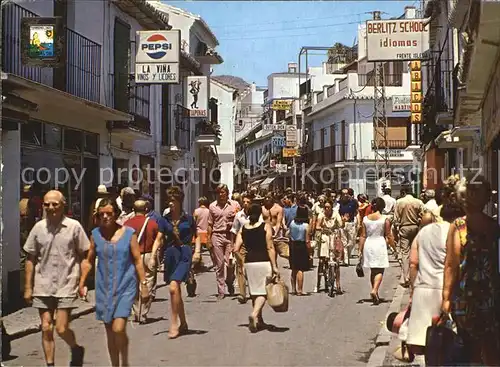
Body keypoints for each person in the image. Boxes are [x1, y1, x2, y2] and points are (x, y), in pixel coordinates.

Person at [79, 199, 149, 366]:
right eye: (102, 214)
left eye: (109, 213)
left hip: (126, 286)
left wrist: (144, 284)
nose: (105, 217)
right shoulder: (95, 235)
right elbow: (88, 261)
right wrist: (82, 283)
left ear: (116, 214)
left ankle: (124, 362)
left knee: (118, 328)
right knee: (110, 332)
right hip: (104, 288)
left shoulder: (129, 233)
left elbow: (138, 260)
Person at [23, 190, 88, 367]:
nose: (50, 208)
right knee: (46, 327)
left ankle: (75, 348)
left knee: (61, 327)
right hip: (42, 284)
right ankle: (50, 364)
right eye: (47, 204)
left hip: (67, 283)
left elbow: (84, 257)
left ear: (63, 205)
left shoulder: (74, 227)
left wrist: (83, 282)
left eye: (55, 204)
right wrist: (28, 287)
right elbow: (30, 259)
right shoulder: (38, 228)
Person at [442, 175, 500, 365]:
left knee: (471, 348)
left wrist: (446, 298)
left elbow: (451, 264)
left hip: (467, 295)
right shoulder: (494, 227)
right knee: (491, 345)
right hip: (492, 294)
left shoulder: (458, 227)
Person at [405, 202, 464, 359]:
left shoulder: (423, 232)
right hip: (447, 290)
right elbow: (455, 264)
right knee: (449, 344)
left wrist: (413, 290)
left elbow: (413, 263)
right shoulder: (456, 233)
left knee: (426, 345)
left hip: (423, 289)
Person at [233, 204, 280, 333]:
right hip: (263, 261)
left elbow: (236, 249)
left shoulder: (244, 228)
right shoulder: (266, 226)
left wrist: (242, 261)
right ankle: (254, 314)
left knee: (254, 292)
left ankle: (260, 320)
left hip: (249, 262)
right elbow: (270, 247)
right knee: (264, 292)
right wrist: (275, 266)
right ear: (260, 213)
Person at [163, 186, 199, 338]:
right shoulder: (164, 219)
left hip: (184, 252)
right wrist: (153, 255)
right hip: (171, 254)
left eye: (173, 200)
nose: (171, 203)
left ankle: (174, 323)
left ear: (179, 201)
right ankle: (183, 323)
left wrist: (197, 251)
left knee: (173, 287)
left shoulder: (188, 219)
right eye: (169, 200)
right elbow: (159, 237)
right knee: (175, 289)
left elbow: (196, 236)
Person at [124, 199, 162, 323]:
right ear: (146, 210)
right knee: (149, 283)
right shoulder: (152, 223)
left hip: (132, 256)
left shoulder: (127, 224)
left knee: (133, 284)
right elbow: (159, 240)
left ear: (133, 210)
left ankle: (136, 311)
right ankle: (143, 312)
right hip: (148, 256)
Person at [358, 198, 395, 305]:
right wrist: (394, 247)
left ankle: (375, 291)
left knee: (373, 269)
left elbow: (363, 235)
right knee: (380, 270)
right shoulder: (385, 219)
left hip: (369, 244)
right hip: (379, 243)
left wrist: (360, 250)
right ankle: (374, 290)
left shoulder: (365, 219)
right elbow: (388, 235)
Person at [207, 184, 238, 300]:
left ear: (227, 193)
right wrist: (208, 239)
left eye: (223, 192)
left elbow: (239, 219)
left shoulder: (234, 205)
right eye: (219, 192)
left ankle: (230, 281)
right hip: (217, 235)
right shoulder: (212, 206)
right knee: (219, 265)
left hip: (230, 236)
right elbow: (210, 224)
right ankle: (221, 290)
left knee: (230, 263)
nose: (221, 194)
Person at [393, 185, 424, 287]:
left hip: (404, 228)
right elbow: (423, 215)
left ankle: (406, 277)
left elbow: (396, 218)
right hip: (415, 227)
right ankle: (416, 275)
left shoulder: (399, 202)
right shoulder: (418, 202)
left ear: (403, 192)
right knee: (416, 251)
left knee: (405, 253)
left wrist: (396, 231)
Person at [231, 194, 259, 304]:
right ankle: (242, 293)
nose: (246, 204)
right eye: (244, 202)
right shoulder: (238, 215)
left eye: (248, 202)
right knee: (240, 268)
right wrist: (233, 246)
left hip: (254, 245)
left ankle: (254, 292)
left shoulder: (257, 215)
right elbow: (234, 230)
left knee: (252, 268)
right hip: (241, 244)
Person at [315, 199, 344, 293]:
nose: (326, 209)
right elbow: (317, 226)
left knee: (336, 262)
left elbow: (340, 224)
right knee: (322, 260)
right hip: (324, 237)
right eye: (325, 207)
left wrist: (342, 222)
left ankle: (338, 285)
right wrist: (323, 228)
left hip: (333, 236)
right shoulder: (321, 215)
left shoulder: (336, 214)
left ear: (332, 207)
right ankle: (318, 284)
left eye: (328, 207)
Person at [288, 206, 311, 295]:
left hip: (293, 244)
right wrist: (309, 251)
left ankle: (293, 289)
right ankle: (300, 289)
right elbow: (307, 240)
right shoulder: (306, 226)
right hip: (302, 246)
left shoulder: (292, 223)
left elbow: (289, 234)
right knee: (300, 269)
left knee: (294, 268)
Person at [261, 193, 288, 260]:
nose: (267, 202)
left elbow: (279, 222)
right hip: (266, 231)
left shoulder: (279, 208)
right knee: (268, 250)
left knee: (277, 251)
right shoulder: (262, 208)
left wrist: (276, 233)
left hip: (276, 230)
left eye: (269, 200)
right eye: (266, 200)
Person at [339, 188, 358, 265]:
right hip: (342, 224)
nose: (346, 195)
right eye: (344, 194)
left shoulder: (353, 202)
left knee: (352, 241)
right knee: (344, 242)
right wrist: (341, 218)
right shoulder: (339, 203)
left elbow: (356, 212)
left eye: (347, 193)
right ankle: (346, 260)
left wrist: (358, 222)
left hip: (351, 223)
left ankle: (347, 255)